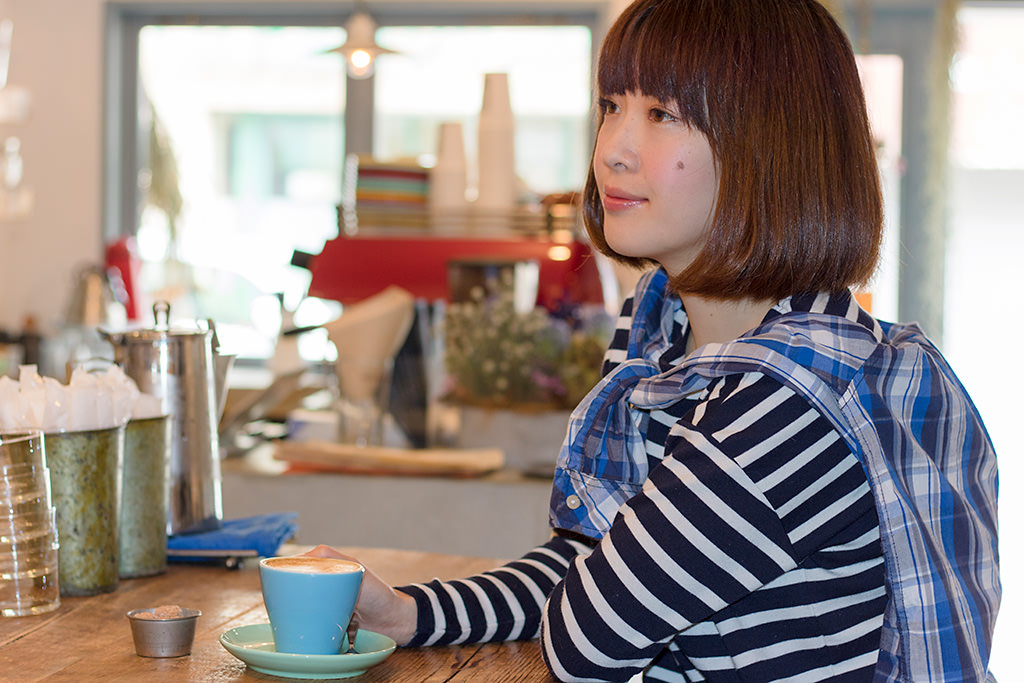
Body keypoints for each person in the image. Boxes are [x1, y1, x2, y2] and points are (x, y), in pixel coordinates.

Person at [306, 0, 1001, 680]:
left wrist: (583, 586)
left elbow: (588, 639)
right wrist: (409, 613)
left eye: (662, 114)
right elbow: (588, 561)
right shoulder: (662, 338)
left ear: (770, 148)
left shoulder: (793, 405)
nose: (612, 149)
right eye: (612, 106)